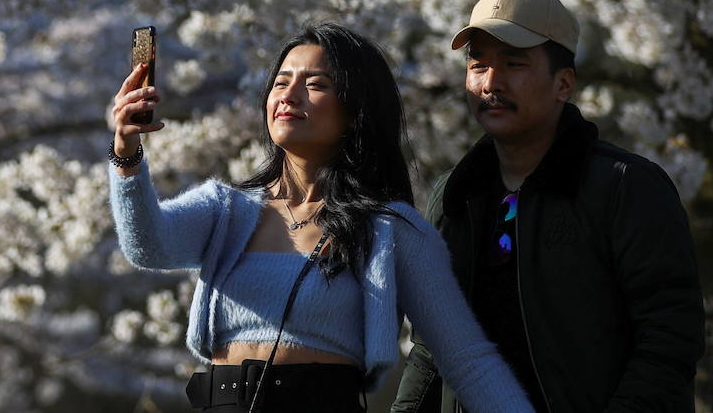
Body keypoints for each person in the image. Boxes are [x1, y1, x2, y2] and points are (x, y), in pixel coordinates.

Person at [107, 22, 535, 413]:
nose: (289, 96)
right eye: (281, 82)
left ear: (355, 111)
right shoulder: (225, 209)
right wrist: (126, 155)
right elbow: (147, 244)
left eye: (315, 84)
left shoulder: (391, 230)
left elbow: (468, 360)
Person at [391, 0, 706, 413]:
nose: (491, 82)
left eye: (514, 64)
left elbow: (669, 339)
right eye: (478, 65)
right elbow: (430, 350)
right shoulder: (455, 197)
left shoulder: (626, 188)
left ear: (563, 84)